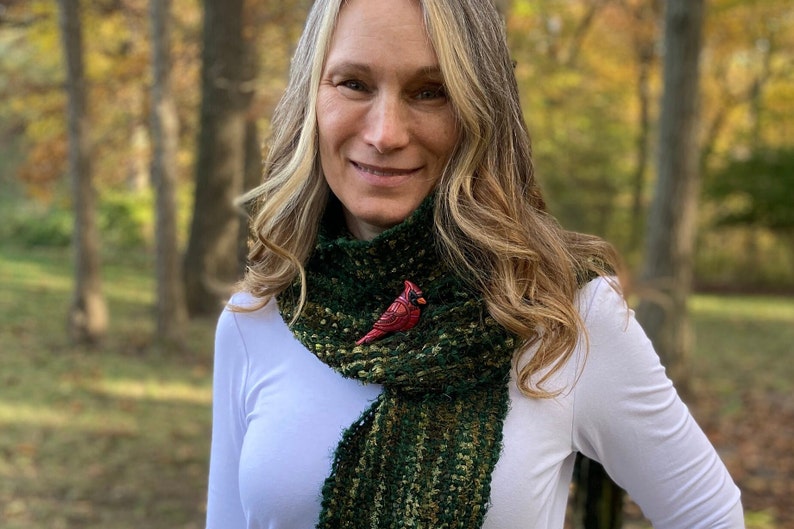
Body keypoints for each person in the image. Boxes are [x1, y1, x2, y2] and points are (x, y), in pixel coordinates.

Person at [205, 0, 744, 527]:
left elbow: (710, 514)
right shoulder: (259, 318)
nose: (385, 133)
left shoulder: (562, 314)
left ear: (478, 110)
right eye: (354, 84)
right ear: (310, 98)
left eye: (430, 92)